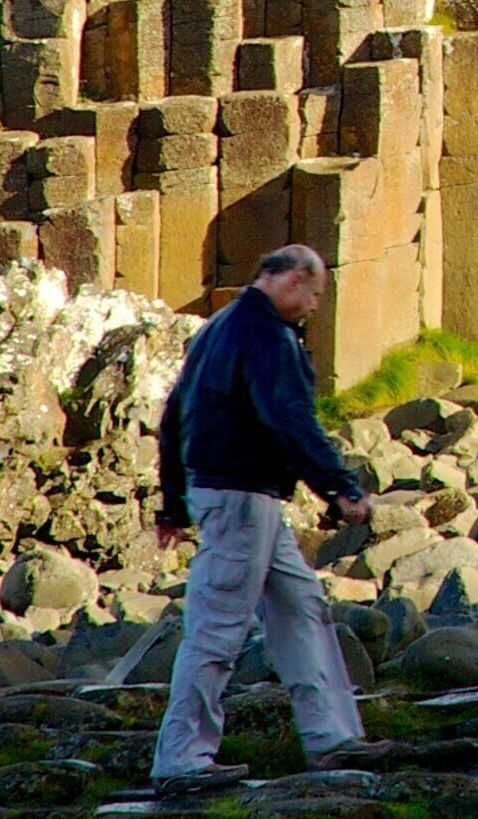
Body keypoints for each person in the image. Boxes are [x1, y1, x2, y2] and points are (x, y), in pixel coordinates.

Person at [150, 244, 373, 791]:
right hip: (241, 499)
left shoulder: (217, 328)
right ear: (294, 280)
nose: (316, 307)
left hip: (238, 497)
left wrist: (175, 503)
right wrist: (340, 489)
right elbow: (290, 418)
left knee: (301, 606)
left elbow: (174, 415)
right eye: (316, 294)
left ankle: (331, 738)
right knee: (216, 628)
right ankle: (181, 758)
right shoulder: (268, 336)